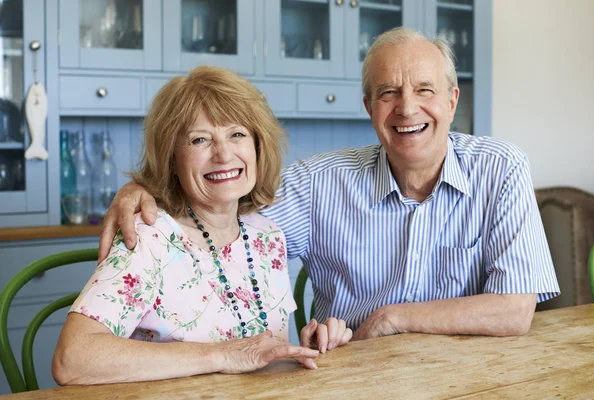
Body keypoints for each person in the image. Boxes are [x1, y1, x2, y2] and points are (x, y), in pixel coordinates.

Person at [99, 27, 560, 343]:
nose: (407, 109)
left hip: (469, 378)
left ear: (452, 100)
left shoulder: (500, 169)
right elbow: (219, 203)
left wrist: (392, 318)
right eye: (388, 93)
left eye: (424, 90)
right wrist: (146, 189)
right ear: (368, 107)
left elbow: (514, 310)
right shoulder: (320, 185)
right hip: (349, 377)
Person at [52, 66, 352, 386]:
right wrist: (222, 355)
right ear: (172, 160)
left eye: (237, 134)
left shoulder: (267, 236)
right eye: (200, 140)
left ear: (257, 147)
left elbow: (259, 359)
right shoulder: (150, 238)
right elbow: (71, 359)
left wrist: (299, 352)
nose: (223, 154)